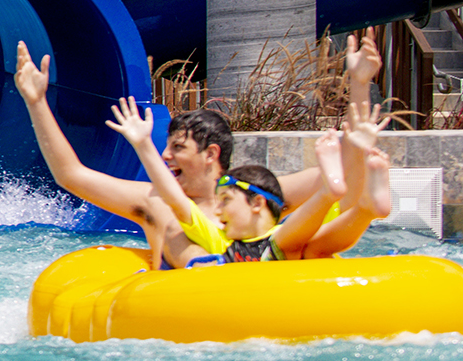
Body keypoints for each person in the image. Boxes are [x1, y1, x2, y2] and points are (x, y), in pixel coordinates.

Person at [13, 29, 386, 263]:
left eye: (178, 148)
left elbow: (346, 173)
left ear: (211, 155)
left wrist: (359, 84)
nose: (166, 155)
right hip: (193, 303)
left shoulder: (255, 193)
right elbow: (71, 175)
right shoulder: (154, 201)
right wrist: (36, 102)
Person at [108, 96, 349, 265]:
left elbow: (175, 199)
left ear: (257, 203)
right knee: (307, 238)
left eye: (226, 200)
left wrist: (144, 145)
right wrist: (143, 145)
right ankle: (328, 196)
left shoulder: (224, 240)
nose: (218, 209)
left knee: (306, 237)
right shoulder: (230, 238)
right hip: (272, 254)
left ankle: (329, 195)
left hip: (265, 255)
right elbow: (173, 197)